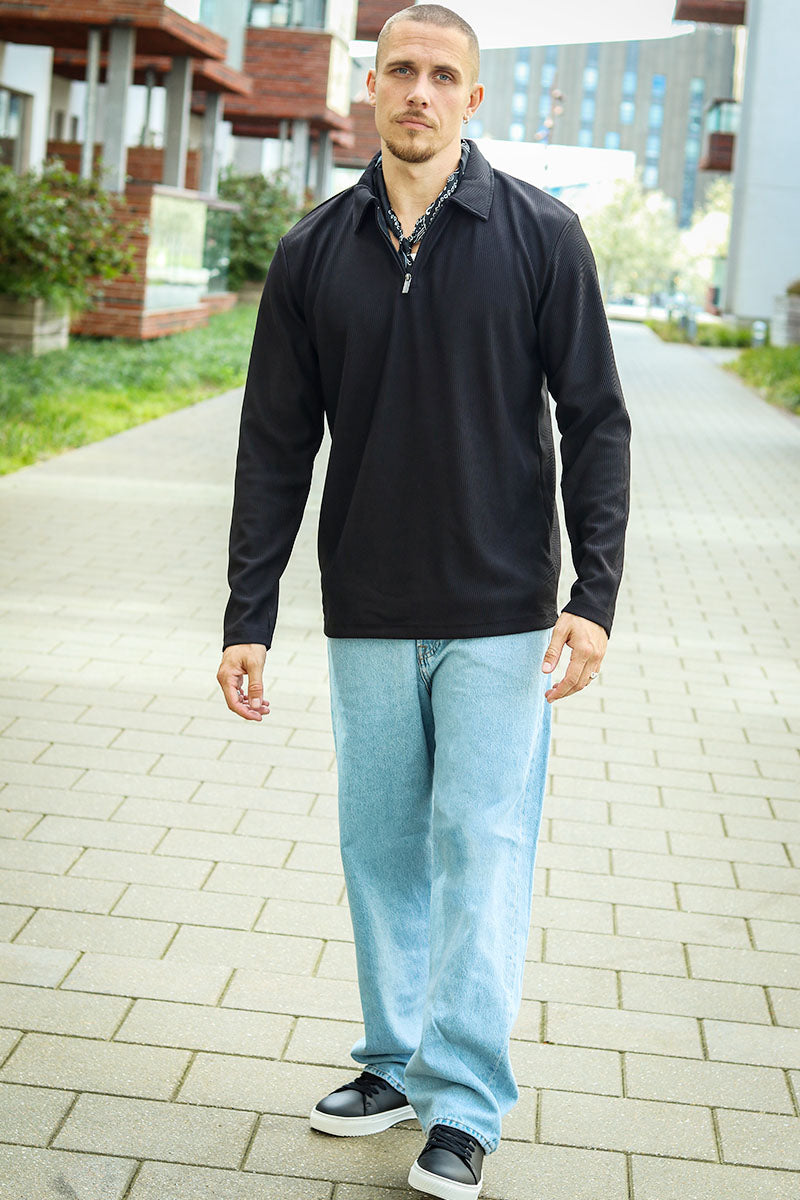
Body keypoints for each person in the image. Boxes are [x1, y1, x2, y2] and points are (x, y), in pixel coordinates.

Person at [217, 5, 631, 1197]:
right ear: (371, 85)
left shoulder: (541, 235)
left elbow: (596, 421)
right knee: (382, 847)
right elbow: (273, 442)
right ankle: (392, 1062)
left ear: (472, 98)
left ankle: (464, 1103)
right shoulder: (311, 250)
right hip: (366, 601)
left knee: (478, 847)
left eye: (443, 75)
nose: (419, 91)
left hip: (503, 609)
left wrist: (593, 594)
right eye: (400, 69)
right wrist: (249, 616)